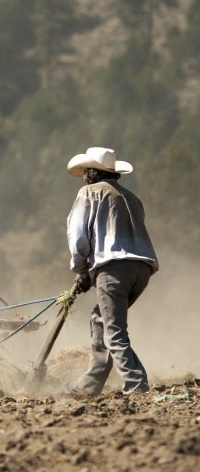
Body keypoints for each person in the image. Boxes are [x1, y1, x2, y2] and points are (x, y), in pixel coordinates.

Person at [65, 147, 158, 396]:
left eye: (86, 172)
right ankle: (89, 384)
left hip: (114, 269)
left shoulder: (89, 193)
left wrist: (81, 269)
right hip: (142, 269)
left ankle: (136, 383)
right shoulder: (131, 197)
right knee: (100, 320)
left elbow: (77, 235)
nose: (84, 176)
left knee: (114, 331)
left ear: (93, 173)